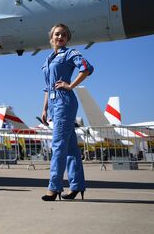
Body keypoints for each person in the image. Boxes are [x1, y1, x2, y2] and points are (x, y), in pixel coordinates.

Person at [41, 23, 93, 201]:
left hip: (65, 102)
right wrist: (45, 108)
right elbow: (47, 87)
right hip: (54, 105)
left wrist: (70, 85)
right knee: (70, 147)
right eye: (57, 34)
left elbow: (86, 68)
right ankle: (76, 186)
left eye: (64, 34)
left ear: (67, 38)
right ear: (51, 38)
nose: (60, 37)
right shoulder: (48, 59)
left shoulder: (70, 54)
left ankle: (54, 187)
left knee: (58, 145)